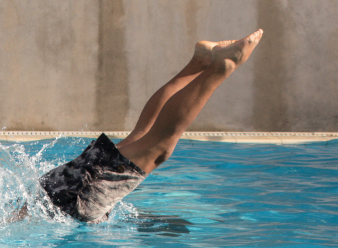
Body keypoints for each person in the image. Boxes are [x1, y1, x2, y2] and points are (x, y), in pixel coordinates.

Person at [32, 29, 263, 223]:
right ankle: (199, 62)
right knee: (142, 135)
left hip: (69, 207)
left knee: (157, 148)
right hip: (53, 190)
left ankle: (222, 66)